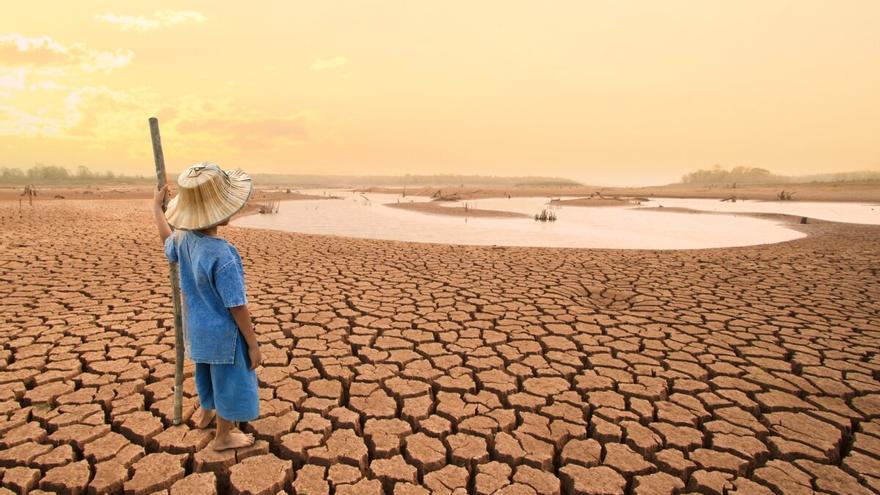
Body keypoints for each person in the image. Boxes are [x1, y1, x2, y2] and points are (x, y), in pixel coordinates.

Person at [152, 162, 261, 451]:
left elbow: (167, 240)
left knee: (206, 375)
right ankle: (223, 435)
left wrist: (157, 210)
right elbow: (237, 306)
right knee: (229, 382)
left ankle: (205, 414)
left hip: (196, 330)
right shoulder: (223, 254)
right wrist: (252, 344)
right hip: (224, 336)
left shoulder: (185, 240)